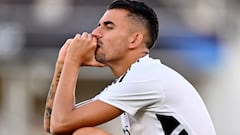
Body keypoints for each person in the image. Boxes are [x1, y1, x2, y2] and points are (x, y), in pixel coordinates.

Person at [43, 0, 216, 135]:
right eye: (99, 25)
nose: (96, 33)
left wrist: (73, 61)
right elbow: (53, 125)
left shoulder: (145, 77)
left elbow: (60, 123)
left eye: (108, 27)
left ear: (134, 40)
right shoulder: (133, 79)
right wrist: (62, 63)